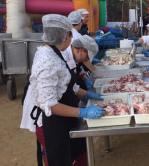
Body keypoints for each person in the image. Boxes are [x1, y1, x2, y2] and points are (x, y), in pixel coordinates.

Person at [20, 14, 105, 166]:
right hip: (49, 123)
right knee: (58, 160)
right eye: (70, 34)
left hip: (61, 119)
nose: (72, 38)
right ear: (66, 34)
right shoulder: (47, 60)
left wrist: (87, 95)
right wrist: (83, 112)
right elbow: (49, 105)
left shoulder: (55, 53)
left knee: (79, 152)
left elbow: (67, 85)